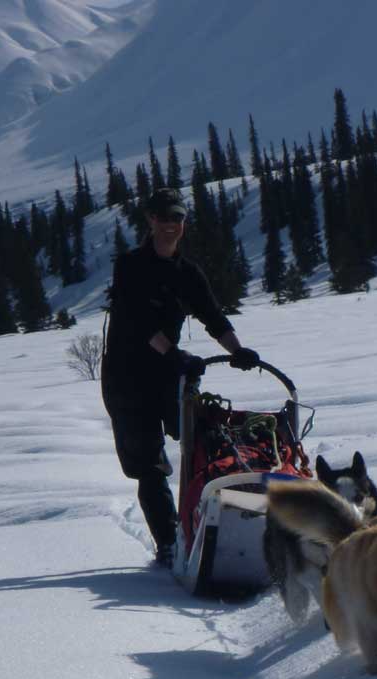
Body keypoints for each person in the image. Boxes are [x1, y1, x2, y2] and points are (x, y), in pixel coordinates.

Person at [100, 186, 261, 567]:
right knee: (149, 463)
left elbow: (212, 316)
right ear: (151, 221)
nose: (172, 225)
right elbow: (138, 322)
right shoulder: (129, 266)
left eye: (178, 218)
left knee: (203, 443)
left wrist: (237, 350)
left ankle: (215, 523)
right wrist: (175, 356)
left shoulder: (188, 273)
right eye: (164, 218)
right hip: (127, 378)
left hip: (169, 374)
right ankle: (170, 542)